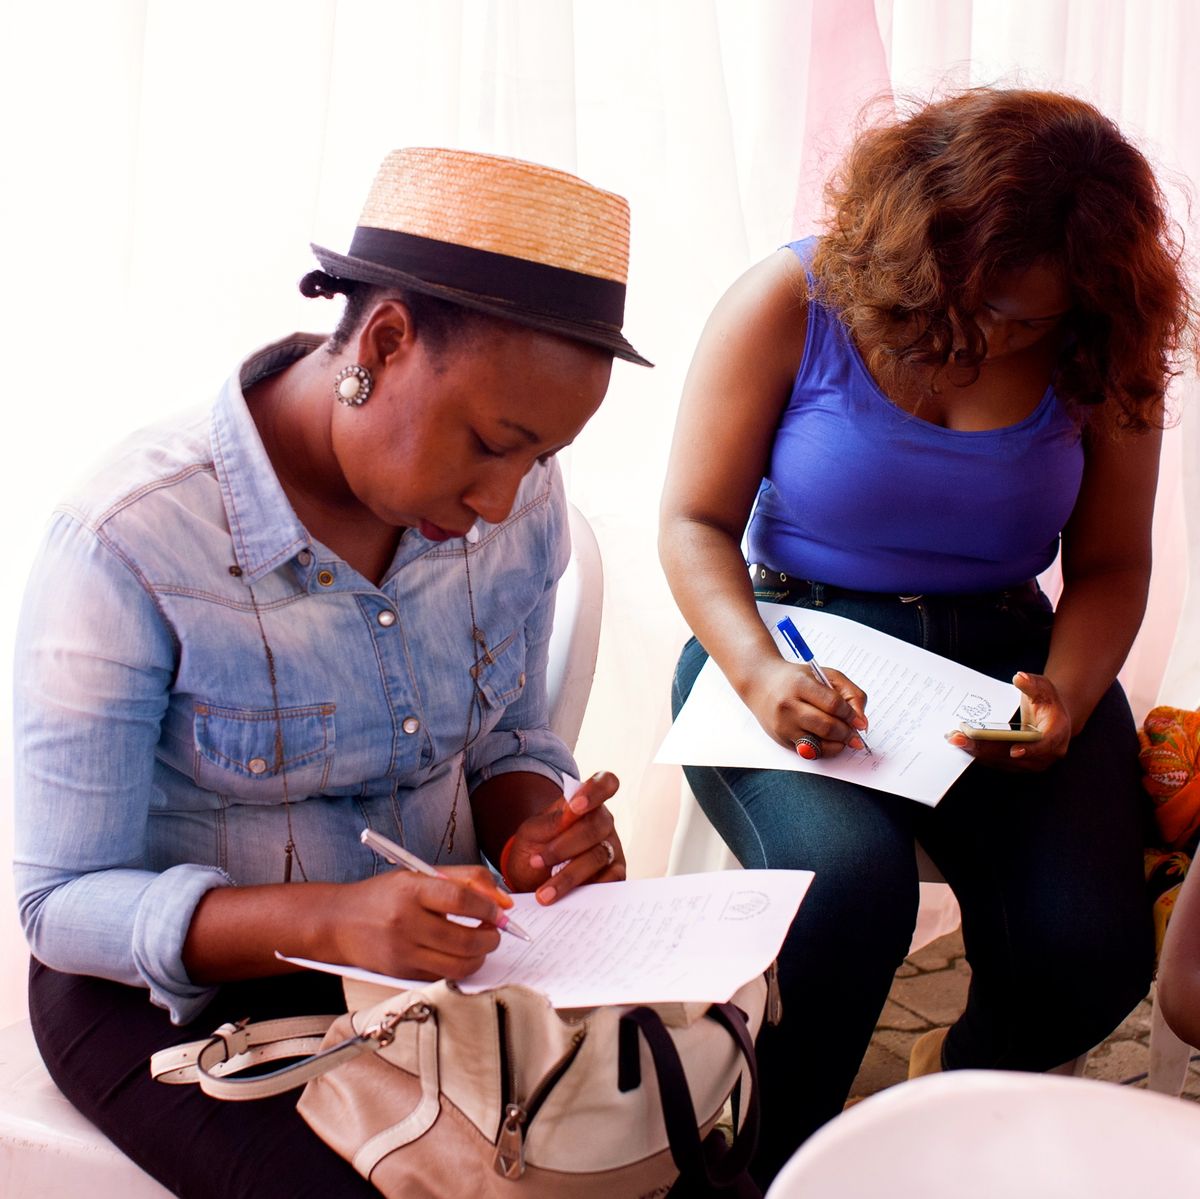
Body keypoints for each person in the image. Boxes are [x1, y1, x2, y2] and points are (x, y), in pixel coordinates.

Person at [13, 147, 649, 1198]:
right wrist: (330, 920)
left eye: (537, 457)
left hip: (430, 967)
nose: (505, 498)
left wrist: (536, 828)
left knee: (647, 1127)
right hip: (177, 995)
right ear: (385, 343)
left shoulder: (524, 501)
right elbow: (61, 903)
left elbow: (505, 736)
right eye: (493, 442)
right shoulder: (129, 542)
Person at [659, 88, 1196, 1185]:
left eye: (1030, 321)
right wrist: (759, 671)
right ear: (924, 242)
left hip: (1003, 658)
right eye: (984, 302)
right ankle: (772, 1160)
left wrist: (1069, 694)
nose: (998, 336)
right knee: (848, 892)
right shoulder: (791, 299)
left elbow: (1110, 566)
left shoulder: (1103, 343)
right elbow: (691, 522)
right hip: (789, 635)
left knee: (1088, 951)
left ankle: (948, 1108)